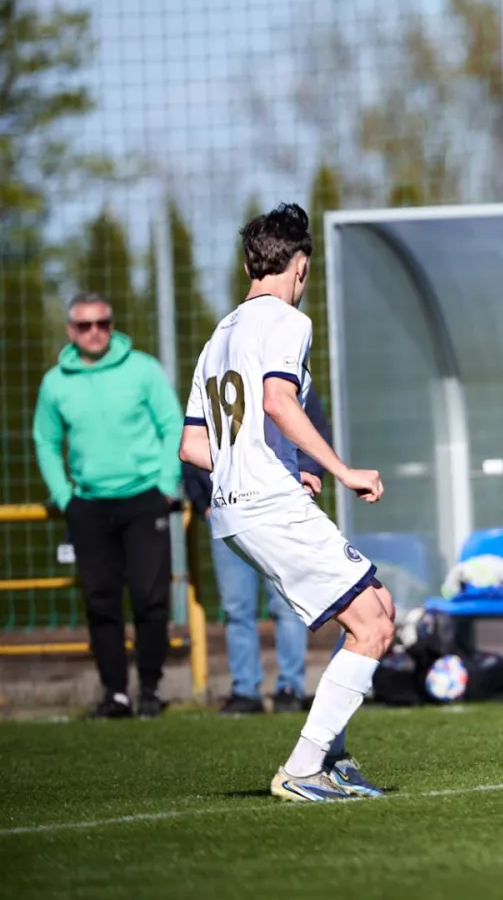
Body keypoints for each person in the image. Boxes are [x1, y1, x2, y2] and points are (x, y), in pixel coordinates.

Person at [180, 202, 391, 802]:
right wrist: (341, 470)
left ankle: (333, 759)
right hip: (268, 505)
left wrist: (262, 464)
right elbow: (278, 401)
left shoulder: (217, 338)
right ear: (300, 266)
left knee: (379, 605)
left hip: (236, 508)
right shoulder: (287, 322)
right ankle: (303, 767)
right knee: (373, 626)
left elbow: (192, 446)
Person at [33, 293, 184, 720]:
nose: (95, 332)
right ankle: (115, 693)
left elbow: (172, 424)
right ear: (71, 331)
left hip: (145, 499)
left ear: (112, 326)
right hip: (88, 505)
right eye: (85, 325)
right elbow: (45, 441)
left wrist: (166, 485)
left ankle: (150, 689)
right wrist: (65, 497)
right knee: (100, 601)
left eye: (102, 323)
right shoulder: (54, 383)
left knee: (150, 597)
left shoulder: (143, 369)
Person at [184, 385, 335, 714]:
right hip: (227, 513)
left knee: (288, 603)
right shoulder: (214, 376)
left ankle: (290, 688)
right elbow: (191, 442)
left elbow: (314, 432)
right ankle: (245, 690)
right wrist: (203, 503)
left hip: (280, 513)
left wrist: (306, 476)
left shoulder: (287, 378)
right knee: (237, 608)